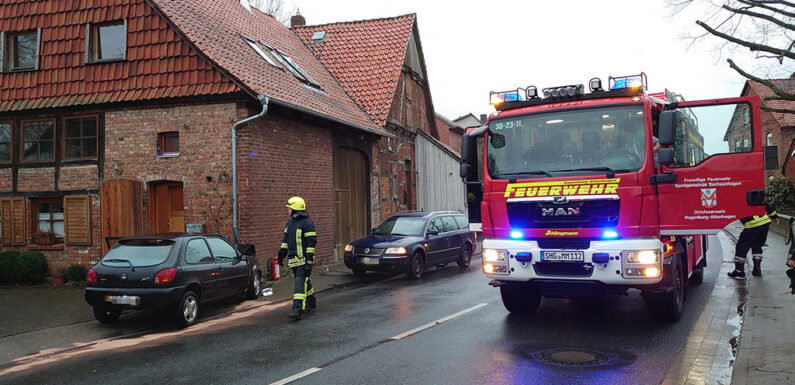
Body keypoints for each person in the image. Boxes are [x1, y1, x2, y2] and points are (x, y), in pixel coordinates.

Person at [277, 196, 317, 320]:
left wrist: (309, 260)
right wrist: (281, 253)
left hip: (304, 260)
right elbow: (286, 240)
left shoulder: (307, 223)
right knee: (304, 281)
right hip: (294, 260)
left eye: (289, 208)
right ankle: (311, 301)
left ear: (295, 210)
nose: (287, 211)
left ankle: (297, 308)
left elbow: (311, 242)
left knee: (300, 284)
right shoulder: (290, 224)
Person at [729, 201, 779, 278]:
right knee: (757, 245)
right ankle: (757, 269)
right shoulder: (754, 196)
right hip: (764, 223)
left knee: (741, 247)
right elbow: (767, 205)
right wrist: (774, 217)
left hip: (752, 225)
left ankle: (739, 271)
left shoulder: (737, 200)